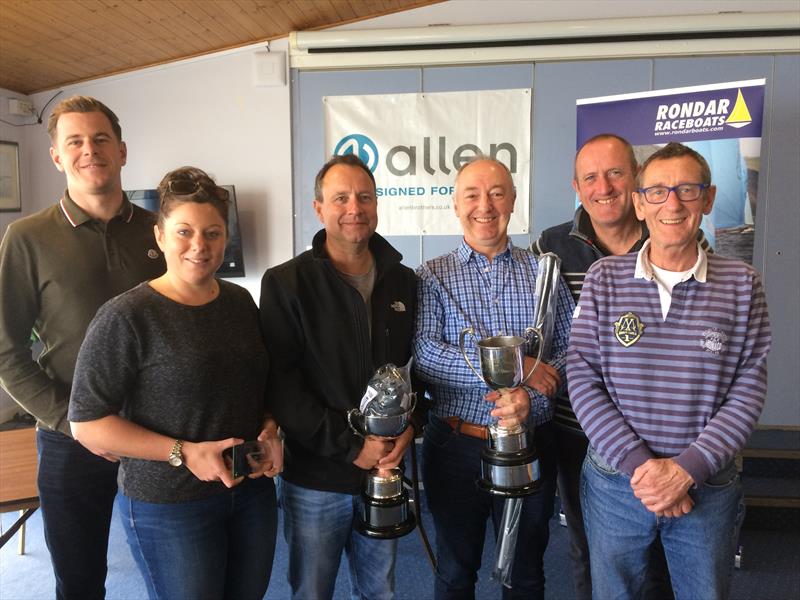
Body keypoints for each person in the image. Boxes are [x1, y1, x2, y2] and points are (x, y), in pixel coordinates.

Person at [568, 142, 771, 599]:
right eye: (657, 191)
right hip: (617, 483)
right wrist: (643, 467)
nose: (672, 204)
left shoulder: (742, 285)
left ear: (709, 198)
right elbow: (582, 376)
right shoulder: (604, 278)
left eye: (686, 189)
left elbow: (749, 388)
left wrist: (686, 471)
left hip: (707, 484)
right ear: (639, 203)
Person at [68, 166, 281, 600]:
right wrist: (183, 453)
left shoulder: (240, 302)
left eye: (213, 233)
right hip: (170, 506)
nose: (199, 246)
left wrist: (272, 430)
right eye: (184, 232)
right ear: (160, 235)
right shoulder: (126, 316)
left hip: (250, 493)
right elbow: (86, 423)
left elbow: (256, 386)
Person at [0, 95, 165, 599]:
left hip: (159, 430)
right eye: (75, 141)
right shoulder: (26, 237)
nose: (89, 150)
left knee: (176, 570)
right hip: (72, 438)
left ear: (122, 150)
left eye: (100, 139)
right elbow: (5, 349)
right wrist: (71, 422)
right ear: (56, 156)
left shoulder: (160, 231)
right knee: (79, 580)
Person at [532, 133, 709, 599]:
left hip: (667, 441)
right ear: (576, 186)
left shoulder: (674, 231)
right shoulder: (549, 248)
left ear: (635, 183)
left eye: (615, 173)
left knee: (665, 564)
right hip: (578, 432)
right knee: (592, 555)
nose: (603, 187)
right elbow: (536, 332)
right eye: (590, 177)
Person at [259, 154, 418, 600]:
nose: (354, 208)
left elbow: (413, 371)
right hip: (316, 480)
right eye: (341, 198)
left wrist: (408, 429)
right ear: (318, 208)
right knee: (312, 592)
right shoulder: (286, 283)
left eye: (364, 197)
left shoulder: (404, 281)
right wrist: (352, 448)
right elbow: (282, 386)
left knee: (379, 591)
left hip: (384, 473)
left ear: (377, 204)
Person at [414, 156, 573, 599]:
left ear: (513, 201)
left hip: (531, 441)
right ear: (456, 204)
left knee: (525, 574)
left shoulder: (545, 273)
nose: (485, 205)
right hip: (455, 447)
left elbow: (571, 350)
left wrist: (531, 400)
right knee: (455, 572)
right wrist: (516, 370)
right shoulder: (430, 276)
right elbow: (425, 353)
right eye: (472, 194)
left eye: (497, 193)